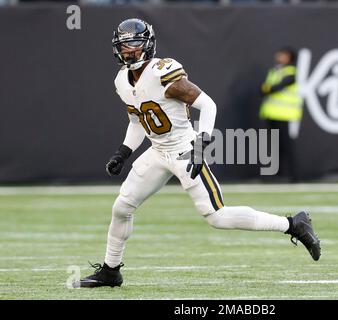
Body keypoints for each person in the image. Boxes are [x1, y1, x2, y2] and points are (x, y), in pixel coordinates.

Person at [74, 19, 320, 288]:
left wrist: (201, 147)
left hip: (184, 150)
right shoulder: (122, 80)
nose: (128, 50)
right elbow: (137, 121)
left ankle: (293, 224)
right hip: (157, 152)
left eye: (133, 44)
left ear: (147, 45)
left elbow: (208, 105)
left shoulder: (162, 72)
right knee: (121, 207)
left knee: (217, 216)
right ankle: (111, 270)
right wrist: (123, 152)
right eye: (123, 45)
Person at [259, 47, 303, 182]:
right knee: (274, 146)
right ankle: (277, 175)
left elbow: (273, 88)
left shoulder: (291, 72)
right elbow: (263, 90)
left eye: (283, 55)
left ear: (289, 57)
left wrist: (268, 88)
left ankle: (293, 175)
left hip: (285, 115)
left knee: (286, 145)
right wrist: (268, 89)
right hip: (272, 114)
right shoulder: (275, 71)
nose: (279, 56)